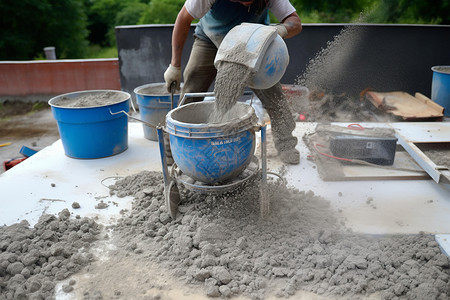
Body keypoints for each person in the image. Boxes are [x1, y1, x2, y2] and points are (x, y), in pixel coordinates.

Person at [164, 0, 302, 164]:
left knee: (274, 95)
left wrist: (281, 29)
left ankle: (286, 144)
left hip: (252, 45)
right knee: (191, 89)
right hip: (210, 40)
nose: (245, 2)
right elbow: (183, 19)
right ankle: (172, 150)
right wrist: (175, 66)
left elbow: (295, 22)